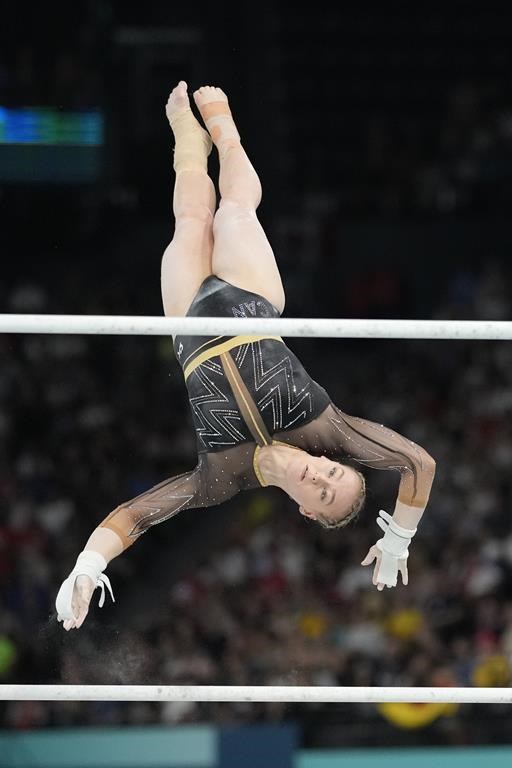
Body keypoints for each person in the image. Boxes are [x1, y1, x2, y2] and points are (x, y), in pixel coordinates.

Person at [56, 81, 436, 630]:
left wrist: (89, 565)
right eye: (334, 473)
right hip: (250, 298)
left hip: (189, 320)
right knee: (232, 214)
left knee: (191, 219)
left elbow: (136, 514)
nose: (320, 474)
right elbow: (418, 463)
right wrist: (398, 539)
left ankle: (187, 140)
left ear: (305, 509)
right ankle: (225, 130)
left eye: (322, 494)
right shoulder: (327, 429)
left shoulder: (222, 478)